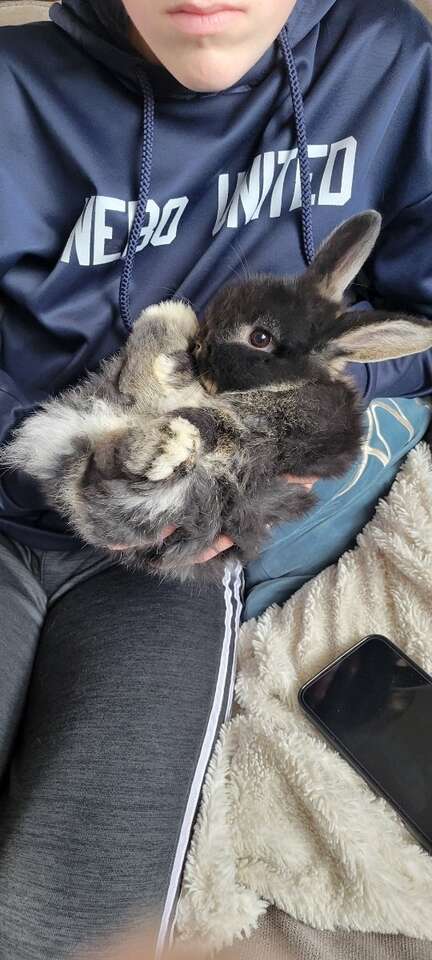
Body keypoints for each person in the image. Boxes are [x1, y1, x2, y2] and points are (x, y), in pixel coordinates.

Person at [0, 0, 431, 957]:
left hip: (180, 561)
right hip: (20, 494)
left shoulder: (388, 63)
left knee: (81, 902)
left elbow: (414, 328)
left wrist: (285, 421)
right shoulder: (15, 89)